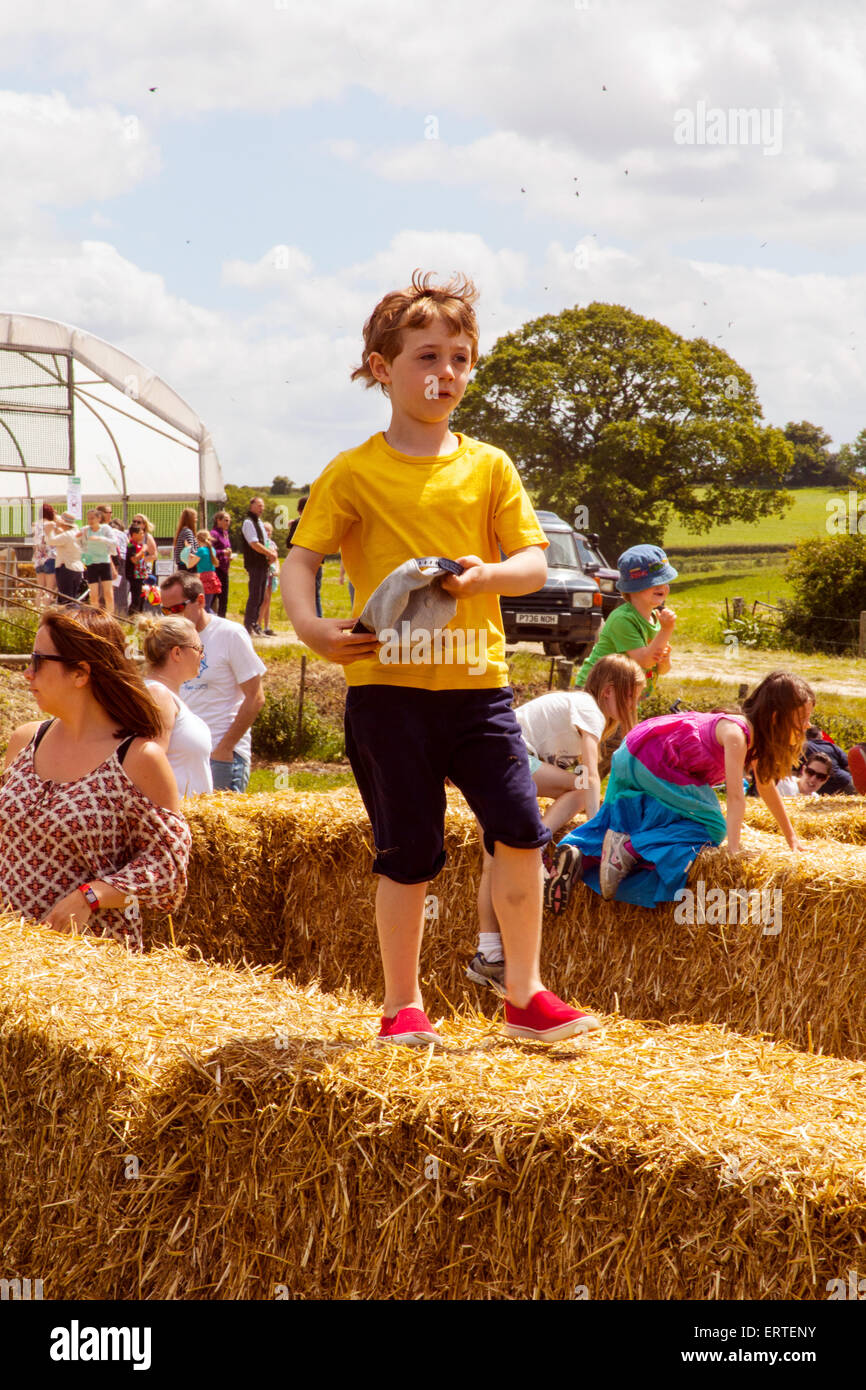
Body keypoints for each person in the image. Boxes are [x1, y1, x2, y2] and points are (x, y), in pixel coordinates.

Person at [281, 268, 601, 1047]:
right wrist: (316, 632)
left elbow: (531, 562)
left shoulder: (489, 465)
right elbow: (300, 562)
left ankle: (523, 995)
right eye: (427, 357)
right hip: (388, 695)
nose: (446, 372)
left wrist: (487, 575)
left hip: (479, 692)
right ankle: (402, 1006)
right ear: (383, 369)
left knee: (521, 833)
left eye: (459, 357)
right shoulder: (352, 471)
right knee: (409, 853)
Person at [0, 607, 191, 950]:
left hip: (90, 968)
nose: (27, 672)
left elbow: (169, 868)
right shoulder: (25, 740)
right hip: (14, 960)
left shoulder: (137, 758)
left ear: (81, 673)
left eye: (38, 660)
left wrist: (91, 896)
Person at [549, 670, 814, 913]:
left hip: (637, 753)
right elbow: (735, 797)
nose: (807, 726)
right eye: (802, 719)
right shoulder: (738, 734)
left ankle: (579, 857)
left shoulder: (751, 739)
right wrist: (734, 850)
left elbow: (766, 788)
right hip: (652, 759)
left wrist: (791, 837)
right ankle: (628, 847)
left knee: (652, 820)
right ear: (777, 718)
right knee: (711, 825)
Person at [467, 654, 646, 993]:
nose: (637, 703)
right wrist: (599, 831)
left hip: (483, 763)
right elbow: (591, 776)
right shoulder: (588, 708)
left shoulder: (582, 710)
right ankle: (539, 843)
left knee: (494, 862)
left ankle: (487, 954)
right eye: (633, 695)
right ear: (610, 691)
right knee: (579, 787)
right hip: (505, 758)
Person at [158, 571, 265, 792]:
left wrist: (226, 748)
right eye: (165, 611)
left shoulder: (230, 634)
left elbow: (255, 697)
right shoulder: (169, 641)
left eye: (177, 609)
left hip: (221, 755)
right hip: (184, 755)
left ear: (200, 600)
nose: (171, 617)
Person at [574, 544, 677, 700]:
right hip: (596, 691)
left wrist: (664, 660)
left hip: (624, 695)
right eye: (654, 582)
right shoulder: (623, 619)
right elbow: (645, 661)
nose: (662, 586)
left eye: (665, 581)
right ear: (633, 589)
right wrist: (667, 630)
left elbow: (661, 670)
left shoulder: (656, 619)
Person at [139, 615, 214, 796]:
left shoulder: (164, 694)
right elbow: (150, 763)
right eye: (198, 648)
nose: (202, 655)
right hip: (173, 817)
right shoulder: (158, 694)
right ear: (177, 653)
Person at [241, 497, 271, 635]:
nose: (261, 508)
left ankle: (254, 623)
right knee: (254, 594)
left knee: (260, 596)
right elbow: (254, 543)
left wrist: (271, 552)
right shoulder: (249, 522)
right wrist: (270, 554)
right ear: (251, 505)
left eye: (263, 505)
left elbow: (265, 542)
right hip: (254, 563)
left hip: (263, 563)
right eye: (259, 505)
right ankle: (249, 625)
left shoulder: (259, 522)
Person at [288, 498, 322, 618]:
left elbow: (289, 544)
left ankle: (308, 622)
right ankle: (318, 620)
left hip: (303, 564)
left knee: (303, 595)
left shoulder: (298, 523)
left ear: (300, 510)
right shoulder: (319, 522)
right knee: (316, 595)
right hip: (318, 562)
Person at [80, 508, 118, 613]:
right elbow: (81, 545)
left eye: (93, 518)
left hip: (104, 562)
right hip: (92, 563)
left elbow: (114, 542)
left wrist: (101, 539)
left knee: (108, 592)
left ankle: (111, 615)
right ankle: (94, 615)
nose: (91, 521)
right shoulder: (85, 530)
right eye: (88, 519)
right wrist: (83, 557)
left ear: (98, 518)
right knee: (93, 594)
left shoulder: (105, 529)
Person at [47, 512, 86, 604]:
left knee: (66, 598)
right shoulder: (78, 534)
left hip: (66, 567)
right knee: (74, 598)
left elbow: (51, 541)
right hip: (77, 568)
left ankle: (68, 617)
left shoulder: (67, 535)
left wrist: (50, 531)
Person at [185, 529, 222, 613]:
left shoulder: (201, 550)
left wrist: (187, 552)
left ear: (198, 540)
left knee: (203, 607)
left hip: (203, 579)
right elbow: (204, 558)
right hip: (212, 577)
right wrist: (194, 556)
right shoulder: (212, 549)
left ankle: (212, 622)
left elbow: (190, 565)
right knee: (207, 605)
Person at [31, 503, 58, 608]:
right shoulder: (51, 524)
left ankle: (37, 612)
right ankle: (45, 611)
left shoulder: (35, 525)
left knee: (40, 588)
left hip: (38, 559)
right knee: (49, 589)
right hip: (50, 557)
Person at [257, 521, 279, 635]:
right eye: (265, 529)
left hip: (272, 573)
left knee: (268, 601)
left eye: (269, 530)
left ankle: (266, 626)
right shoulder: (261, 543)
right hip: (264, 572)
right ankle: (258, 624)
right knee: (264, 600)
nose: (267, 532)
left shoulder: (272, 544)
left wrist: (277, 570)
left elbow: (276, 558)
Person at [210, 510, 233, 619]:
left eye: (229, 521)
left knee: (224, 598)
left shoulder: (225, 533)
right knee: (214, 596)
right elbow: (210, 551)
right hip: (217, 569)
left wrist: (229, 556)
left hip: (224, 568)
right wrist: (223, 552)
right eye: (225, 520)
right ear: (218, 520)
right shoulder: (214, 534)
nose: (228, 523)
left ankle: (222, 619)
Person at [125, 521, 150, 614]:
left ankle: (139, 615)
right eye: (141, 533)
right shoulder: (131, 545)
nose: (143, 535)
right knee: (135, 599)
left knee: (141, 598)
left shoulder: (139, 546)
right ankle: (132, 617)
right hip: (133, 577)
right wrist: (143, 550)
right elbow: (134, 560)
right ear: (134, 534)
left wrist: (144, 572)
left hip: (140, 577)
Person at [110, 517, 129, 617]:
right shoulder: (123, 534)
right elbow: (128, 545)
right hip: (121, 560)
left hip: (110, 559)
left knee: (111, 588)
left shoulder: (108, 532)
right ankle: (121, 613)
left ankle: (111, 612)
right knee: (120, 589)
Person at [173, 508, 198, 572]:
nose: (196, 520)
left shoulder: (182, 531)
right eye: (195, 518)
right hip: (187, 565)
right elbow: (190, 549)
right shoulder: (188, 532)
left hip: (182, 565)